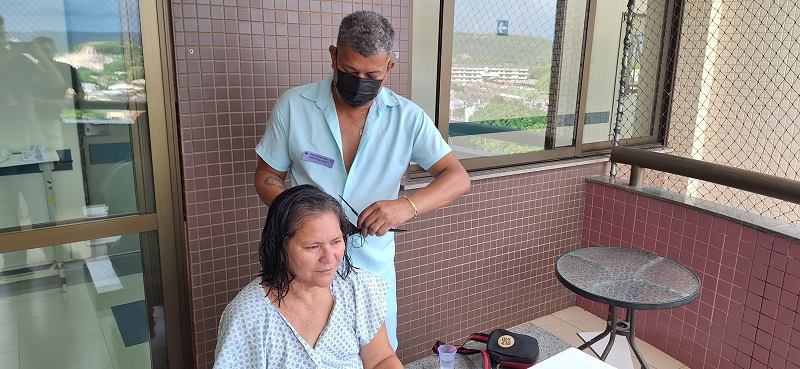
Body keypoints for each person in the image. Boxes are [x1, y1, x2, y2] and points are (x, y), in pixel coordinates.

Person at [253, 10, 471, 349]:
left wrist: (406, 206)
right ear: (333, 56)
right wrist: (299, 216)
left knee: (378, 355)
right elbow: (267, 175)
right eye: (351, 72)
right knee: (306, 352)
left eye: (372, 75)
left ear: (389, 69)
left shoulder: (407, 118)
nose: (360, 81)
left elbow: (457, 178)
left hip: (373, 267)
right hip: (306, 267)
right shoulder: (293, 107)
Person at [214, 184, 403, 369]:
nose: (329, 258)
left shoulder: (358, 289)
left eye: (336, 241)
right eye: (313, 247)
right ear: (280, 248)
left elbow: (381, 360)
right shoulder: (248, 316)